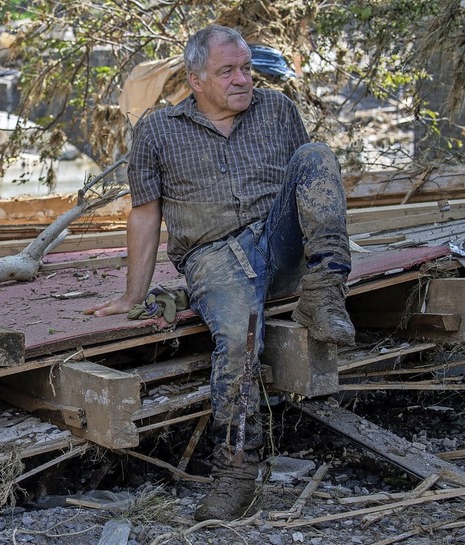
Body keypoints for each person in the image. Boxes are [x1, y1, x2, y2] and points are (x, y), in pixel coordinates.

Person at [84, 24, 354, 521]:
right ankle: (235, 473)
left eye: (247, 68)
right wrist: (132, 294)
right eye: (226, 70)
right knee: (237, 338)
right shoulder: (158, 130)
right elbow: (145, 213)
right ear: (195, 79)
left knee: (316, 154)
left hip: (279, 241)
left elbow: (307, 183)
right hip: (213, 258)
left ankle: (326, 291)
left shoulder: (277, 109)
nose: (242, 79)